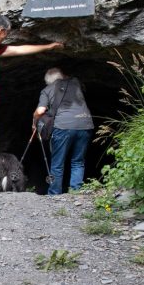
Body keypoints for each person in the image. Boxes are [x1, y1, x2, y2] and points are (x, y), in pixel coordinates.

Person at [0, 14, 63, 187]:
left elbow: (20, 49)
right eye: (6, 33)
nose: (6, 36)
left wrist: (49, 46)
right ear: (0, 31)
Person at [33, 67, 94, 195]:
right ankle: (75, 192)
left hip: (63, 126)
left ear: (48, 81)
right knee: (78, 162)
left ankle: (55, 193)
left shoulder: (47, 89)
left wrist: (34, 122)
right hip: (85, 124)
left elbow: (40, 111)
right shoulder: (76, 82)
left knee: (57, 163)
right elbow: (69, 76)